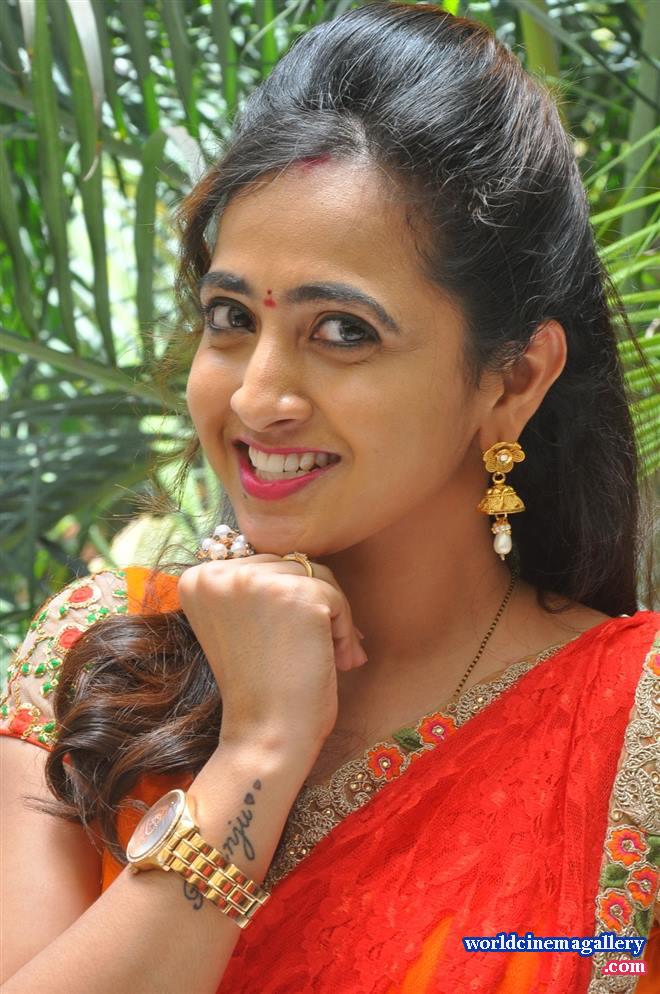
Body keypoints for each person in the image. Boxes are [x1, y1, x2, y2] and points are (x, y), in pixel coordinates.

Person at [1, 2, 658, 992]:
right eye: (230, 317)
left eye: (344, 331)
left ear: (514, 379)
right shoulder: (97, 666)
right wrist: (257, 753)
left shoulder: (630, 722)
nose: (256, 397)